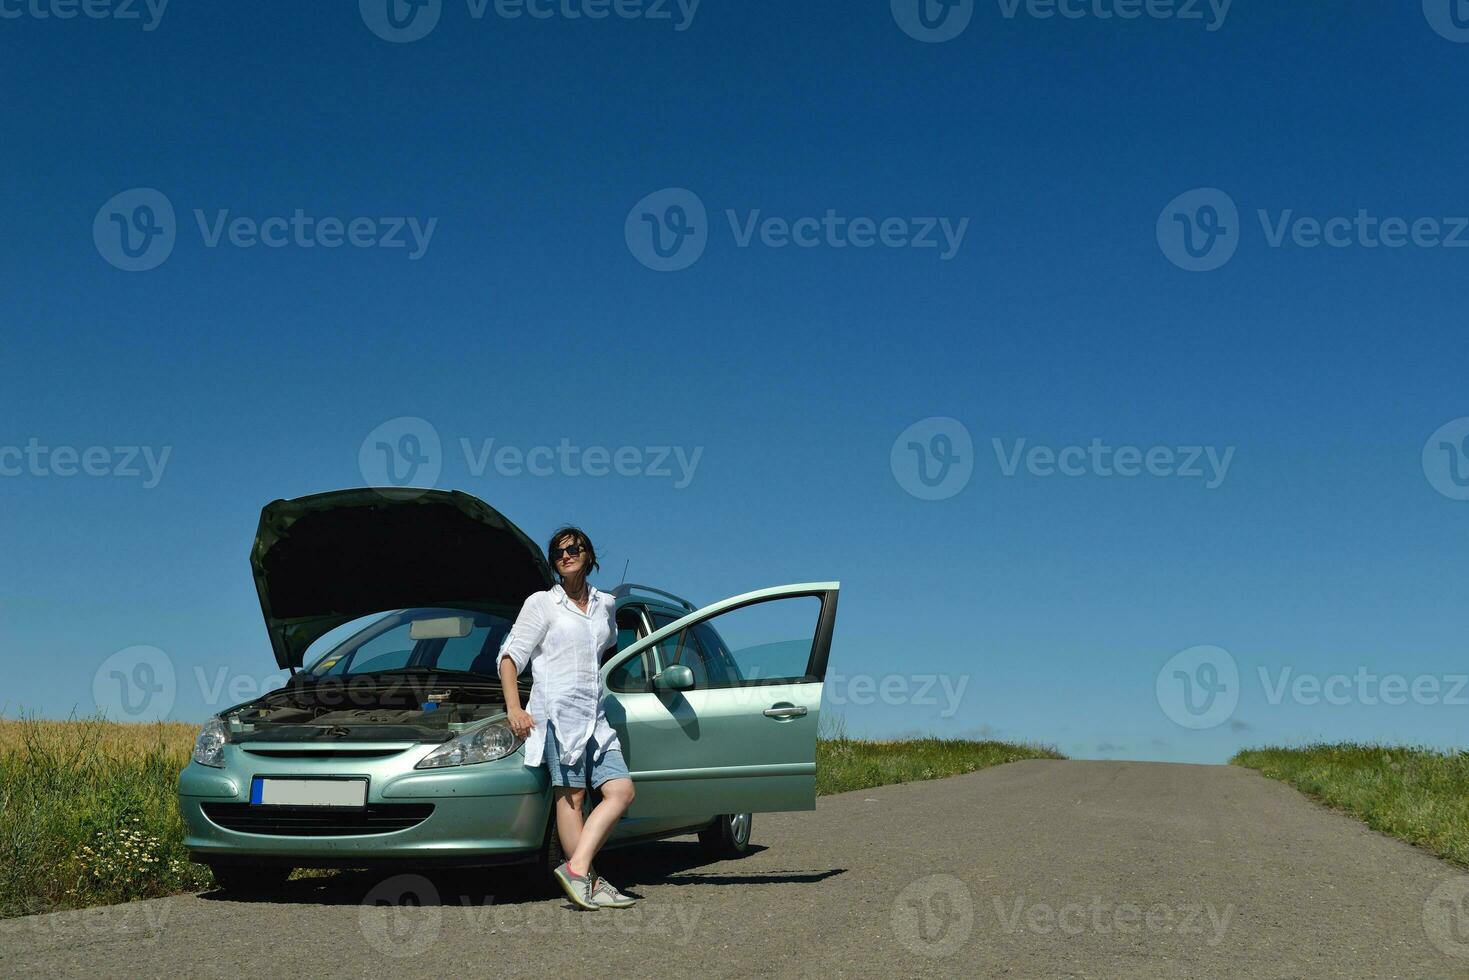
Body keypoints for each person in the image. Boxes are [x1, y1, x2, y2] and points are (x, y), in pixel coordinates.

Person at [497, 526, 637, 910]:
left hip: (595, 714)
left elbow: (603, 651)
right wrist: (515, 708)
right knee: (572, 798)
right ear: (554, 563)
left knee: (621, 791)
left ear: (589, 555)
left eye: (574, 548)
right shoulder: (542, 603)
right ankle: (587, 883)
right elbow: (511, 657)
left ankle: (577, 868)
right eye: (559, 552)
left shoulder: (606, 605)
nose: (567, 555)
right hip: (558, 715)